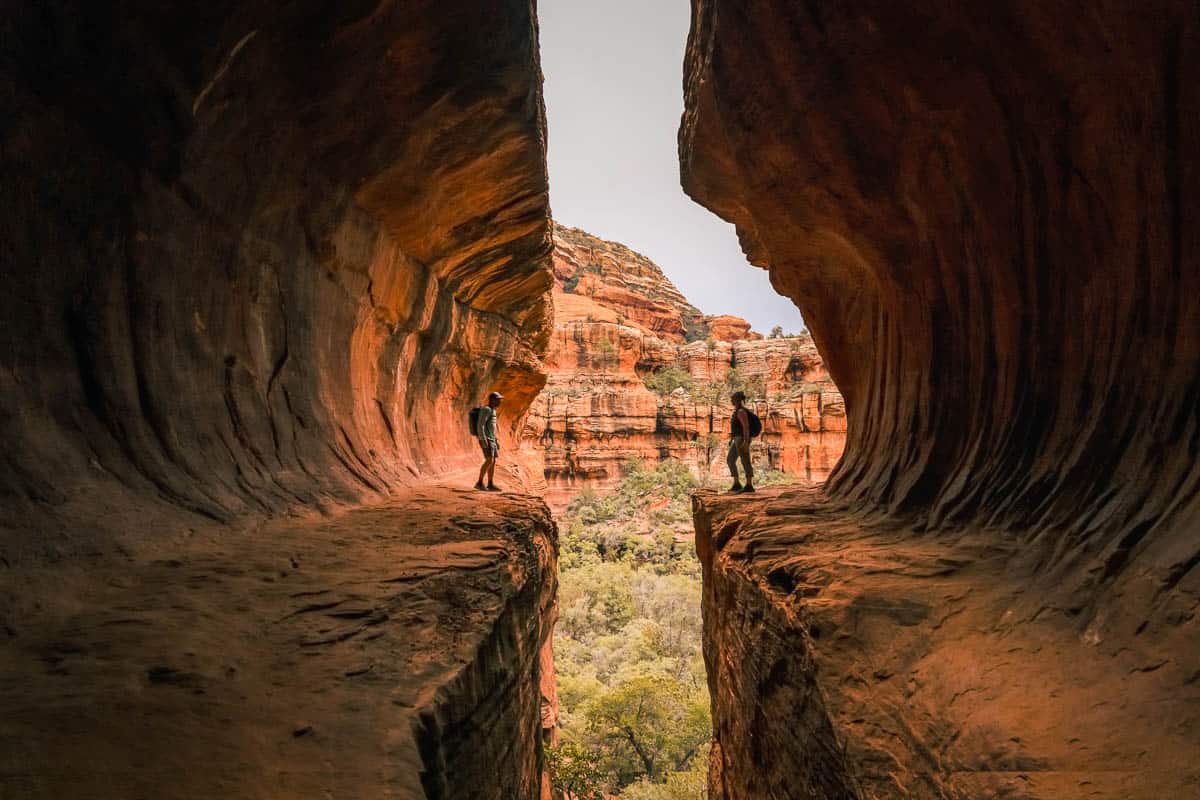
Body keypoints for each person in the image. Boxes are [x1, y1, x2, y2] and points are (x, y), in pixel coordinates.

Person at [727, 391, 755, 493]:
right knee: (730, 460)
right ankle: (736, 484)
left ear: (738, 400)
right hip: (736, 439)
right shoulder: (736, 411)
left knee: (745, 460)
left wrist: (746, 442)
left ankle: (749, 485)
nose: (731, 400)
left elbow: (746, 427)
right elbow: (735, 428)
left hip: (742, 439)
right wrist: (731, 439)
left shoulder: (741, 412)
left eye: (733, 399)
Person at [475, 391, 503, 491]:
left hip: (492, 439)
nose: (500, 401)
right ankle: (479, 482)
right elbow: (480, 425)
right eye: (498, 399)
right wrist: (482, 439)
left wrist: (496, 440)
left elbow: (491, 427)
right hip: (486, 439)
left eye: (500, 399)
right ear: (492, 400)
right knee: (489, 460)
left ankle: (490, 483)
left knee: (493, 461)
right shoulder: (486, 410)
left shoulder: (493, 410)